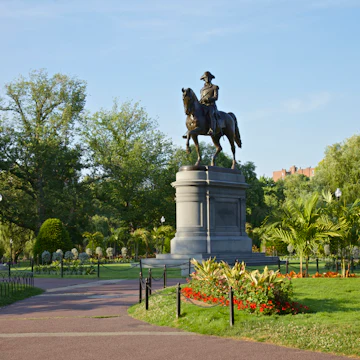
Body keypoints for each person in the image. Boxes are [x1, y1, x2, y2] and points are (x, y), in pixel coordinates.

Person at [199, 71, 219, 135]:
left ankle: (211, 129)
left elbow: (216, 97)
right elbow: (202, 98)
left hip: (211, 105)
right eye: (206, 78)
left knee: (210, 114)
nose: (207, 79)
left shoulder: (214, 87)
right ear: (204, 79)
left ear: (211, 78)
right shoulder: (202, 89)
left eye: (208, 77)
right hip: (203, 105)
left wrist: (208, 99)